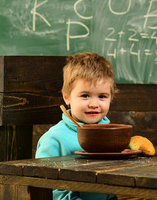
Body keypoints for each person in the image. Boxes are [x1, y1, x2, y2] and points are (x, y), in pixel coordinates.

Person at [36, 52, 118, 200]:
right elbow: (46, 188)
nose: (94, 104)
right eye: (85, 95)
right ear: (66, 96)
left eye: (102, 96)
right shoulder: (54, 139)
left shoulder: (112, 135)